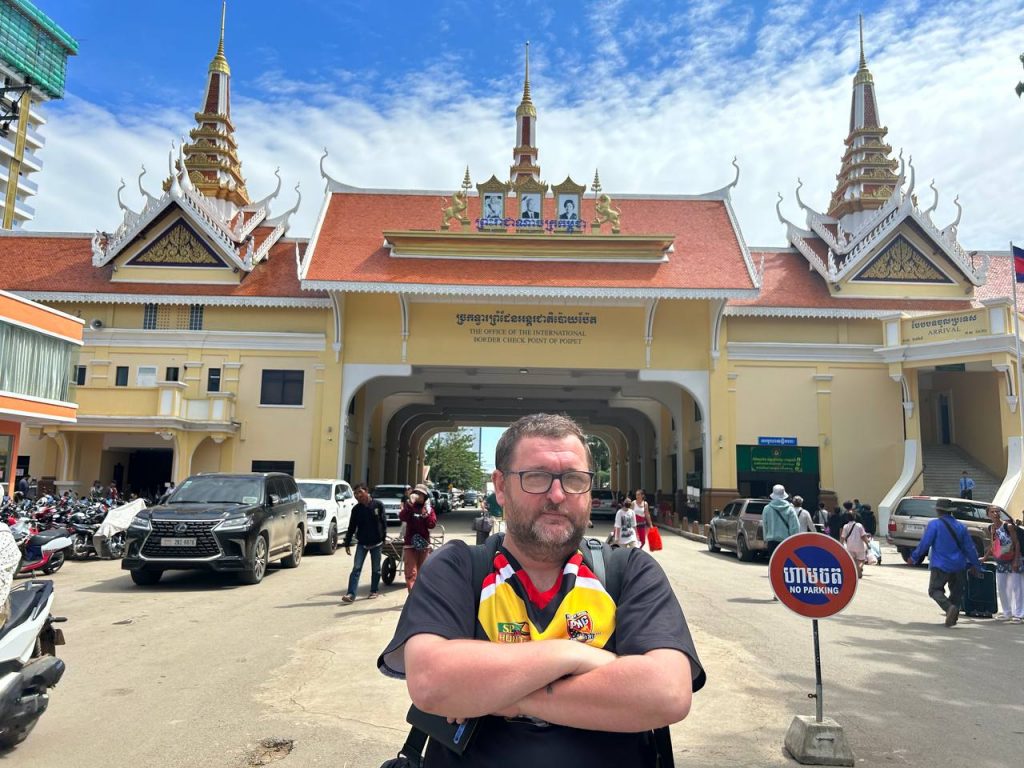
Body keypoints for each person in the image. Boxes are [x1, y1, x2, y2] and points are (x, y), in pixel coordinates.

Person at [378, 413, 705, 766]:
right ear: (500, 487)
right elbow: (433, 682)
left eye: (574, 480)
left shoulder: (629, 573)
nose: (557, 494)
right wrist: (572, 655)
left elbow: (666, 693)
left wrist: (505, 697)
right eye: (536, 477)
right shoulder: (457, 568)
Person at [908, 498, 985, 627]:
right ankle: (952, 616)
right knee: (956, 592)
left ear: (938, 510)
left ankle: (949, 608)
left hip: (940, 564)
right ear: (951, 512)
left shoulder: (934, 524)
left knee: (934, 590)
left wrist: (914, 557)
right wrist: (976, 565)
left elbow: (925, 543)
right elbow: (970, 548)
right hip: (959, 565)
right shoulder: (961, 526)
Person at [341, 483, 389, 603]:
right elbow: (352, 527)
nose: (357, 495)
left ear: (366, 491)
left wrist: (383, 538)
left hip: (377, 543)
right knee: (356, 568)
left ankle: (374, 591)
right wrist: (347, 543)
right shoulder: (356, 510)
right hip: (362, 543)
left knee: (376, 569)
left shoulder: (378, 505)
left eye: (360, 492)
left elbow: (383, 523)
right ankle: (351, 594)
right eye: (355, 493)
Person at [983, 506, 1023, 622]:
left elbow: (1016, 543)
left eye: (997, 511)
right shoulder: (991, 528)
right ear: (988, 514)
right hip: (1001, 560)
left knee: (1017, 587)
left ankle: (1019, 614)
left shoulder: (1008, 526)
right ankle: (1007, 612)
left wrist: (1016, 560)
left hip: (1013, 559)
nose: (995, 513)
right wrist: (985, 557)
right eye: (992, 512)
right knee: (1002, 587)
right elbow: (994, 545)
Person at [399, 483, 436, 591]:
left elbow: (432, 524)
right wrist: (410, 504)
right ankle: (412, 598)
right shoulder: (409, 506)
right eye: (416, 493)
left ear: (425, 496)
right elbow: (402, 517)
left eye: (421, 494)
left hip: (424, 544)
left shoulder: (428, 509)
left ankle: (421, 597)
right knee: (411, 573)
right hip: (410, 544)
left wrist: (425, 515)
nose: (418, 495)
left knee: (423, 573)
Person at [762, 485, 799, 561]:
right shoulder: (790, 509)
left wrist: (765, 539)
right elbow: (795, 527)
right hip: (786, 542)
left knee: (774, 566)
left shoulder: (767, 508)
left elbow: (765, 525)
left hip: (771, 542)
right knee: (785, 565)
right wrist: (794, 540)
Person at [840, 510, 869, 578]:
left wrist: (841, 544)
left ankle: (856, 570)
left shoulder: (845, 526)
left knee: (853, 560)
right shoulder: (859, 525)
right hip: (859, 545)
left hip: (850, 546)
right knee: (861, 560)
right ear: (855, 517)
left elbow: (843, 537)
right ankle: (859, 568)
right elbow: (863, 536)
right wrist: (867, 543)